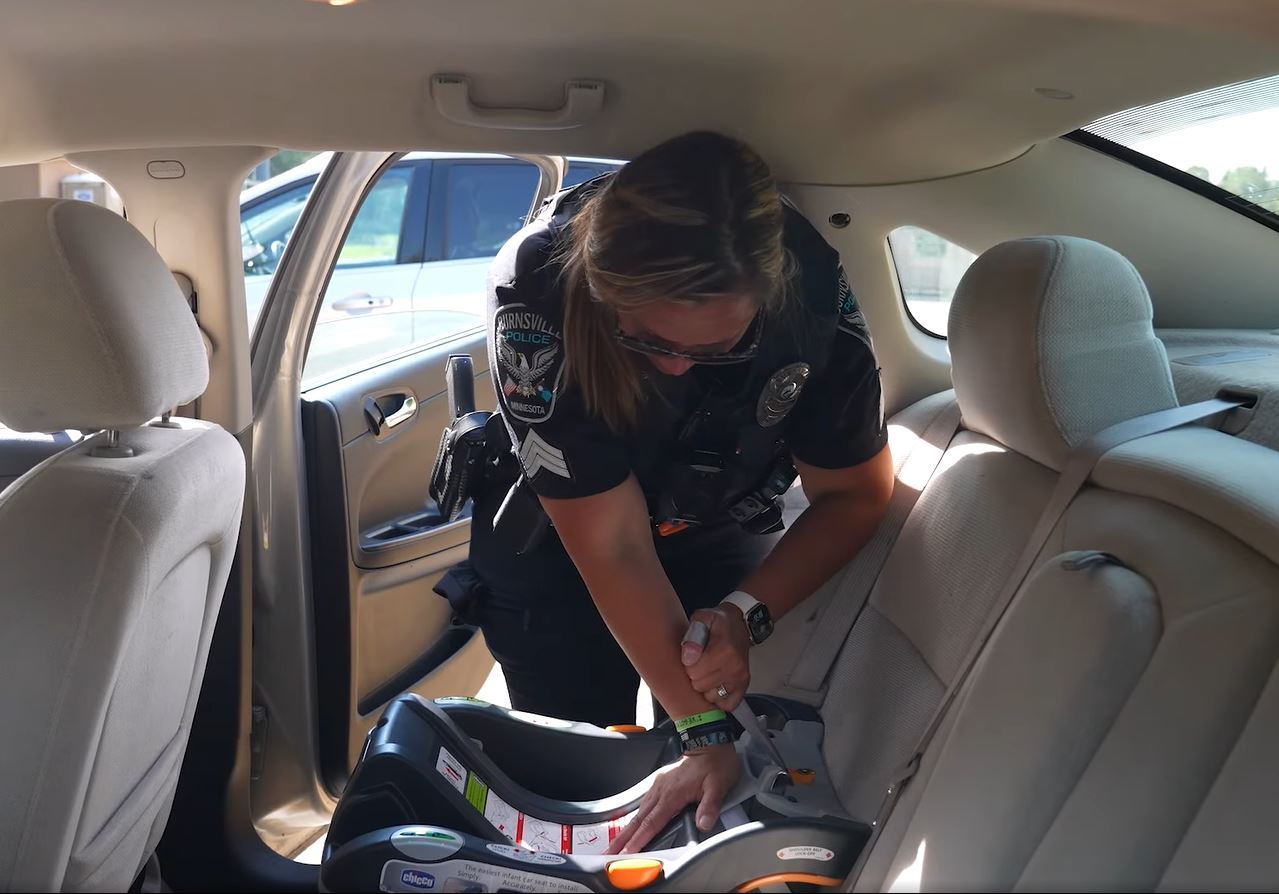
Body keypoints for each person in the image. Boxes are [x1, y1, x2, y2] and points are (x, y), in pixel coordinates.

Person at [442, 131, 894, 852]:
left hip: (718, 520)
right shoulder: (539, 288)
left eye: (716, 352)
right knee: (578, 781)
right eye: (648, 341)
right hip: (556, 539)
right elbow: (611, 543)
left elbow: (856, 495)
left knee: (705, 793)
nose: (678, 369)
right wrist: (701, 732)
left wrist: (744, 615)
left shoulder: (812, 299)